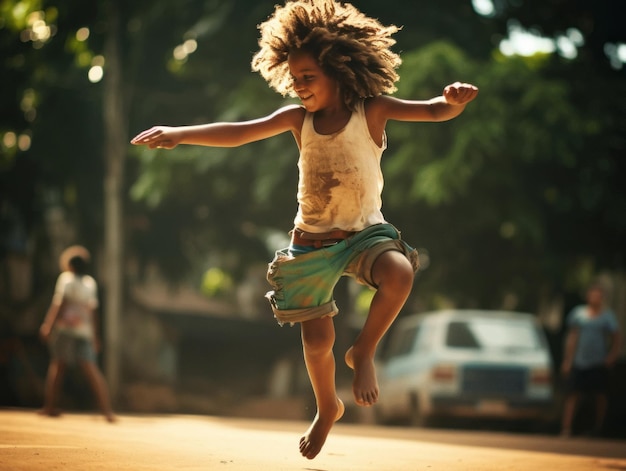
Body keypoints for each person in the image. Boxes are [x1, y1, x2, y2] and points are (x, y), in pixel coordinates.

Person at [131, 0, 478, 459]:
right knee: (317, 341)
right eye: (294, 78)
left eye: (308, 77)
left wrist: (452, 102)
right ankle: (326, 405)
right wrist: (180, 132)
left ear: (338, 70)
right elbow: (239, 132)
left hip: (364, 235)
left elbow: (433, 111)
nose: (299, 86)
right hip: (312, 243)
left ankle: (364, 352)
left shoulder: (371, 111)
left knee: (399, 273)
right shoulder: (299, 120)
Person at [39, 245, 116, 423]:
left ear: (70, 265)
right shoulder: (90, 283)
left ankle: (49, 406)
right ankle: (107, 411)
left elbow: (60, 303)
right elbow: (93, 313)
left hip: (65, 330)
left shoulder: (66, 279)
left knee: (58, 366)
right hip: (84, 331)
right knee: (91, 369)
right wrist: (96, 337)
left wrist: (48, 325)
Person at [560, 283, 621, 437]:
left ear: (602, 298)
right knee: (573, 394)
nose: (595, 298)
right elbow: (572, 337)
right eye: (593, 294)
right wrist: (568, 360)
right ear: (588, 296)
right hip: (580, 360)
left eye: (598, 295)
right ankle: (566, 428)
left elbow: (616, 338)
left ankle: (598, 428)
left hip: (598, 362)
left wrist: (612, 356)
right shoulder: (579, 314)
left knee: (599, 395)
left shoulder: (608, 317)